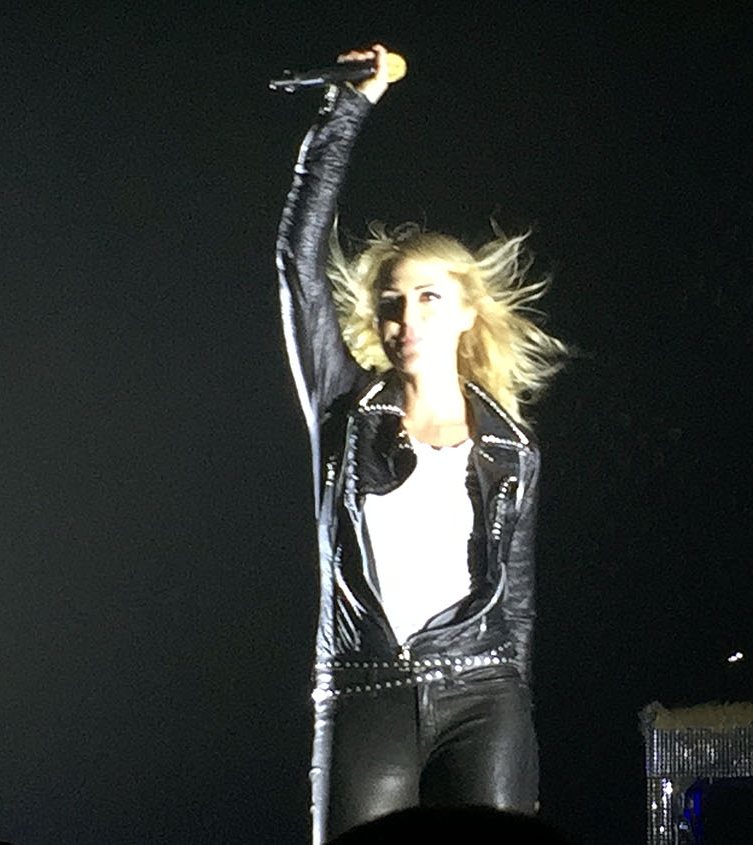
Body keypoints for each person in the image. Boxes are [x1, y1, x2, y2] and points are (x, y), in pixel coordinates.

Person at [275, 45, 566, 843]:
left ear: (468, 311)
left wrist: (518, 722)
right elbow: (299, 263)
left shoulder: (511, 446)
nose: (408, 319)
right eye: (393, 302)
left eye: (430, 298)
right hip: (364, 687)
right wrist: (345, 112)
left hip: (484, 692)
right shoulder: (345, 410)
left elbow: (516, 602)